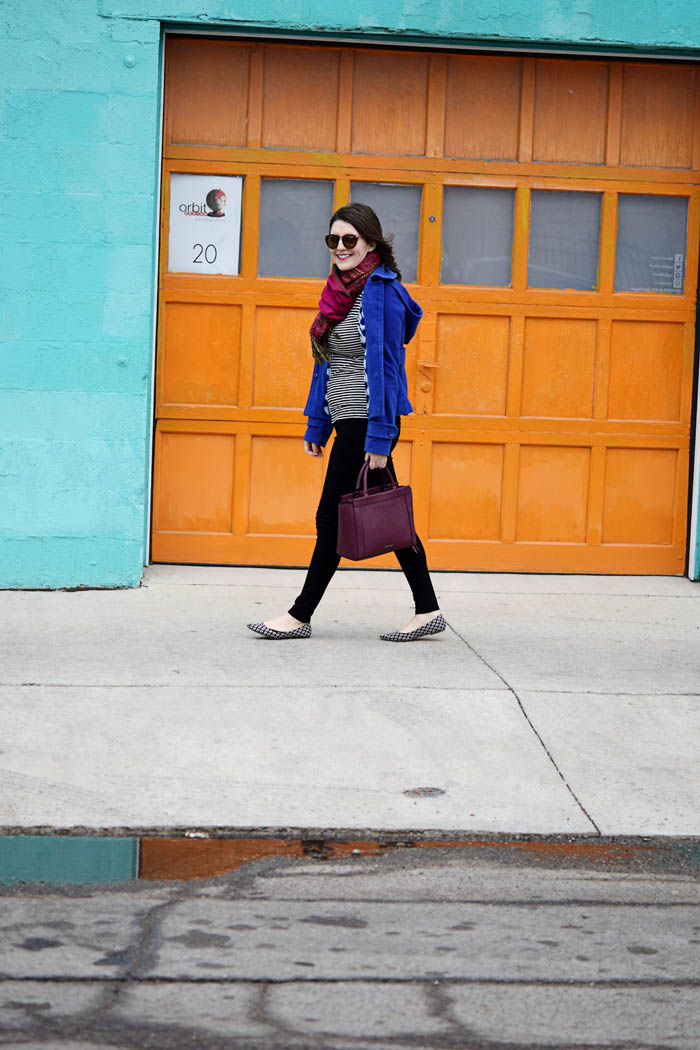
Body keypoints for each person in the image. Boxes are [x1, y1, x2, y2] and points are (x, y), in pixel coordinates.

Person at [247, 203, 445, 642]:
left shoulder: (382, 294)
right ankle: (427, 608)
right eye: (332, 240)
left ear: (371, 243)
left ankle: (299, 616)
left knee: (331, 518)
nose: (340, 248)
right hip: (344, 419)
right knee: (391, 516)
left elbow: (387, 370)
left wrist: (380, 437)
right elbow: (327, 366)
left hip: (367, 423)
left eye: (349, 240)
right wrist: (317, 424)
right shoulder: (338, 292)